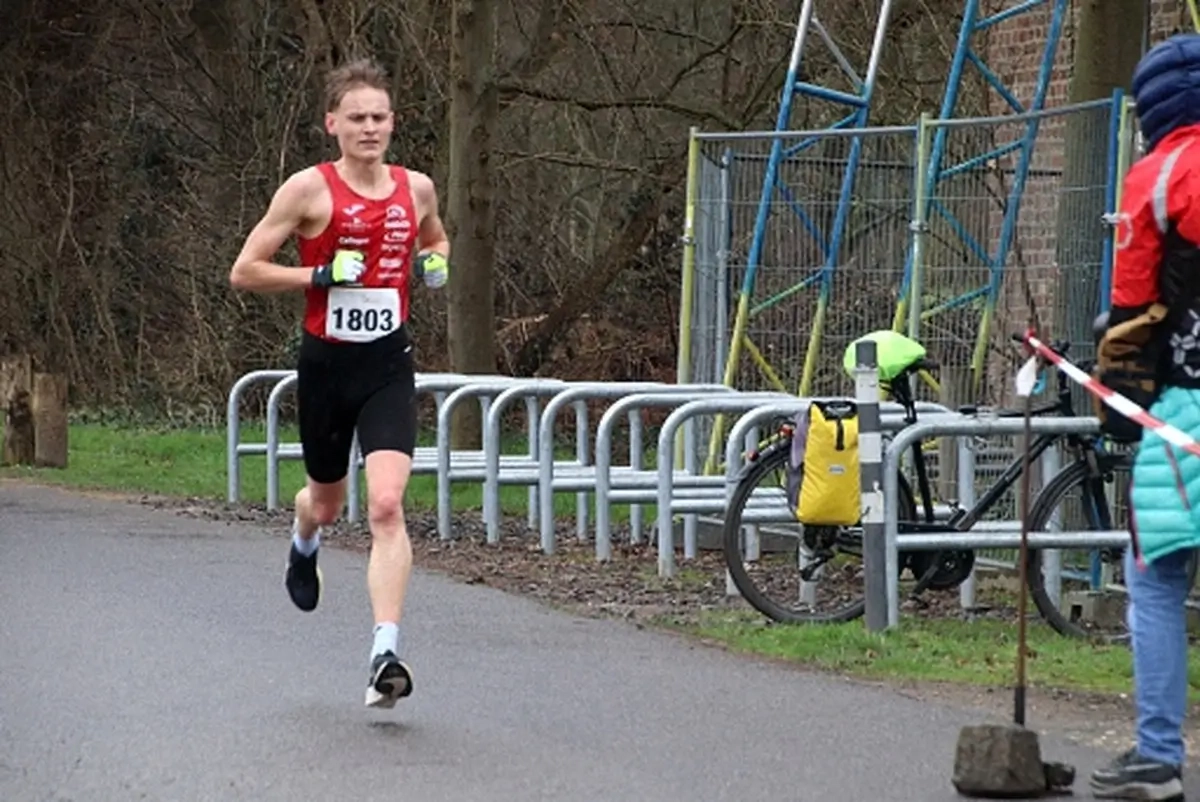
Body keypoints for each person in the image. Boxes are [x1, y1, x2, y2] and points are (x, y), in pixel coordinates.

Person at [228, 57, 450, 709]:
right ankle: (305, 539)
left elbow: (437, 241)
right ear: (333, 125)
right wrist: (318, 277)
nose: (369, 128)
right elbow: (245, 271)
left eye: (379, 117)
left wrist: (435, 263)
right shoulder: (307, 191)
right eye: (357, 118)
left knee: (386, 505)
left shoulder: (417, 189)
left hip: (387, 366)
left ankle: (385, 654)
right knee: (325, 504)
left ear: (393, 123)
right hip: (327, 367)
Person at [1089, 32, 1200, 801]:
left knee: (1155, 581)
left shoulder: (1157, 177)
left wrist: (1120, 396)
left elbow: (1131, 307)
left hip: (1185, 414)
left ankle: (1158, 758)